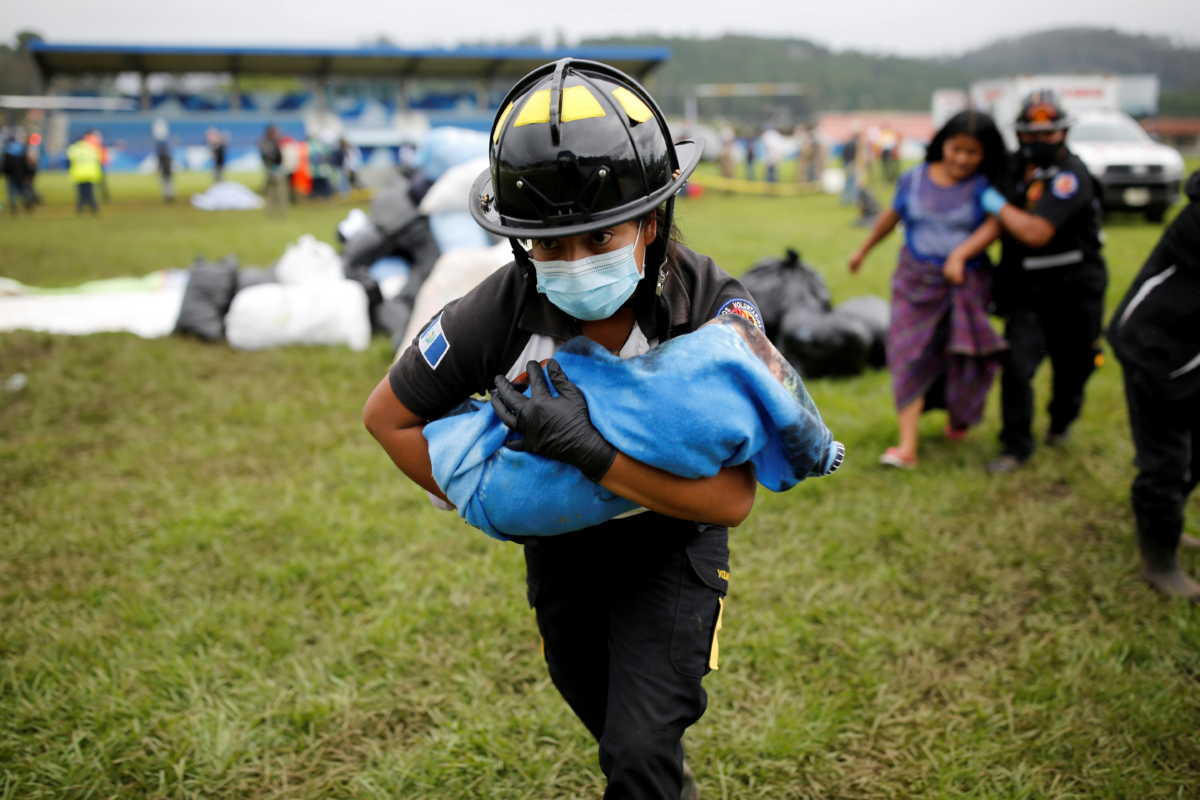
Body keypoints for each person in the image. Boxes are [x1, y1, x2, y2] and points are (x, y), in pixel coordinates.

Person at [363, 59, 770, 799]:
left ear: (653, 219)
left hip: (671, 544)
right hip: (560, 555)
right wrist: (481, 493)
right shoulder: (500, 309)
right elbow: (387, 416)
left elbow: (733, 499)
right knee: (611, 724)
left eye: (600, 236)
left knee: (641, 747)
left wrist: (588, 451)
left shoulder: (709, 311)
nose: (574, 264)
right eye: (549, 245)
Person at [849, 110, 1010, 468]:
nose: (963, 159)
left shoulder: (984, 186)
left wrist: (962, 253)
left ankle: (959, 417)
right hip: (913, 282)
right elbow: (892, 217)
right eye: (957, 149)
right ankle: (907, 447)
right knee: (907, 353)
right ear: (942, 145)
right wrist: (863, 250)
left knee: (961, 356)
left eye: (973, 152)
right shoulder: (914, 180)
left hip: (965, 285)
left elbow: (996, 224)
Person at [980, 90, 1107, 473]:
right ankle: (1015, 446)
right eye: (1031, 135)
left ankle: (1061, 422)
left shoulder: (1072, 175)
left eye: (1049, 134)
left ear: (1063, 133)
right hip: (1026, 291)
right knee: (1017, 367)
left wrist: (996, 205)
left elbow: (1036, 232)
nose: (1039, 142)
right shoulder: (1012, 167)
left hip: (1075, 288)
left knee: (1076, 365)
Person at [1107, 169, 1200, 600]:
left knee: (1193, 455)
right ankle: (1159, 561)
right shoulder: (1195, 221)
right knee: (1165, 460)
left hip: (1191, 356)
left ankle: (1168, 524)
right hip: (1155, 351)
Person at [67, 131, 102, 215]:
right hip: (90, 174)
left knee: (81, 193)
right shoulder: (92, 148)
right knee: (90, 192)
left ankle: (80, 209)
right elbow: (98, 160)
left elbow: (69, 160)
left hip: (78, 174)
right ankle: (93, 208)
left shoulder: (74, 148)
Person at [2, 132, 35, 215]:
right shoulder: (21, 150)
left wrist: (4, 173)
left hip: (10, 175)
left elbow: (4, 165)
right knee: (22, 190)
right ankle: (27, 202)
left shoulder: (7, 151)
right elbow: (26, 164)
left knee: (11, 191)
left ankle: (13, 207)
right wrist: (29, 174)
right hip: (21, 175)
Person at [258, 125, 287, 213]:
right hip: (272, 169)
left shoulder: (271, 142)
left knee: (276, 190)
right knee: (275, 190)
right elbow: (269, 156)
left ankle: (278, 209)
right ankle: (274, 209)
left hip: (275, 168)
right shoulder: (267, 143)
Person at [152, 118, 173, 204]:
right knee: (167, 182)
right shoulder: (166, 154)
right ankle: (168, 195)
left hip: (165, 171)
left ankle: (168, 196)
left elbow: (160, 162)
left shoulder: (162, 154)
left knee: (166, 182)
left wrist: (158, 168)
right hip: (166, 170)